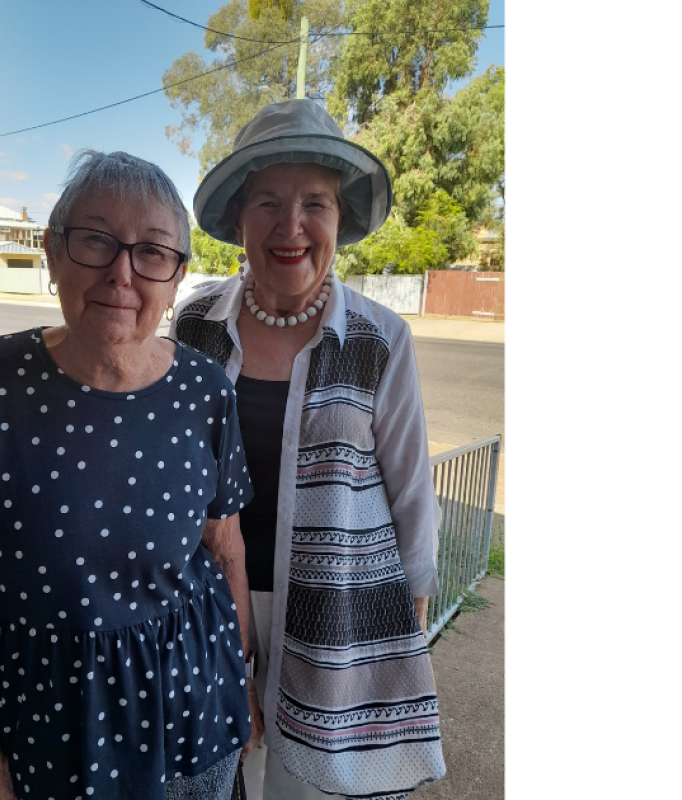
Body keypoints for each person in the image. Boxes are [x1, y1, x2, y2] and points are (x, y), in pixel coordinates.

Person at [0, 150, 262, 800]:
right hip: (44, 733)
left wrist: (239, 683)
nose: (121, 274)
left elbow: (226, 549)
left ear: (176, 275)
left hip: (195, 714)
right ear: (51, 252)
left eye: (152, 252)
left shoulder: (206, 391)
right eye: (95, 240)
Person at [170, 100, 446, 799]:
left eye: (314, 204)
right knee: (227, 769)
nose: (291, 226)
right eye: (268, 201)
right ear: (238, 218)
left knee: (313, 783)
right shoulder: (196, 322)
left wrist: (410, 608)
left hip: (339, 608)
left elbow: (412, 490)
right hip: (215, 598)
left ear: (339, 222)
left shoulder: (379, 339)